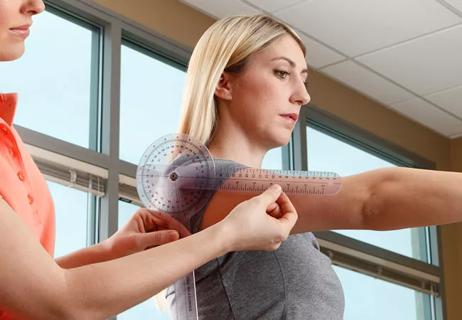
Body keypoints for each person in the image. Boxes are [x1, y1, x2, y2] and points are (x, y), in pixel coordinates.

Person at [0, 2, 300, 319]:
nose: (37, 5)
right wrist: (226, 235)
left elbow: (23, 292)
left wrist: (109, 252)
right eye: (281, 73)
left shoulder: (8, 135)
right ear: (222, 83)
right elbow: (59, 302)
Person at [172, 14, 462, 319]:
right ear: (223, 82)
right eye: (282, 73)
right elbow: (371, 199)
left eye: (304, 79)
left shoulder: (287, 221)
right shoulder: (196, 181)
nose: (303, 95)